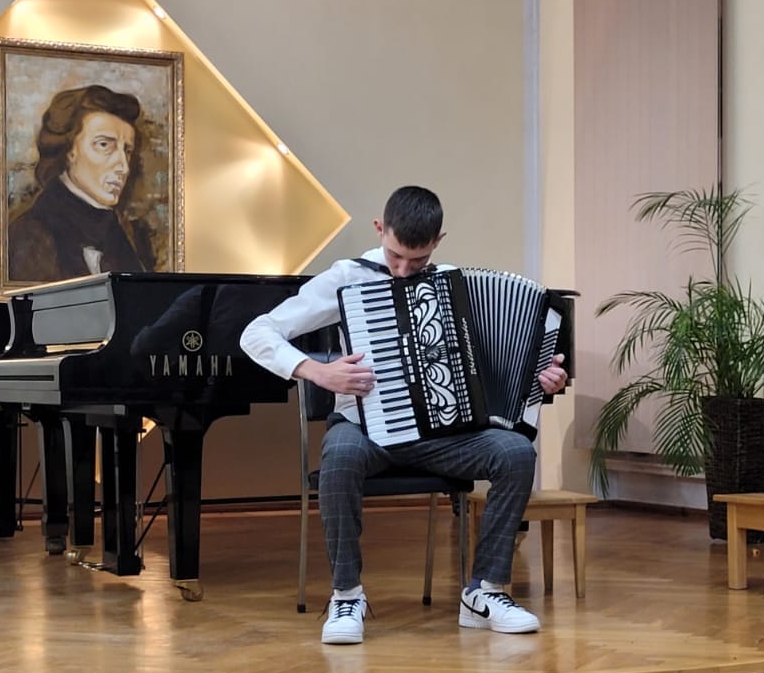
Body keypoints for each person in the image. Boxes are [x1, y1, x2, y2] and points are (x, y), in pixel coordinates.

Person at [240, 185, 569, 645]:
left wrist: (543, 378)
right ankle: (347, 595)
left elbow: (504, 366)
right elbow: (257, 332)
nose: (402, 270)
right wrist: (318, 371)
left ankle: (485, 592)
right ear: (380, 229)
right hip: (365, 431)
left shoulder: (455, 283)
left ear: (438, 241)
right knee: (339, 457)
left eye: (417, 260)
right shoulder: (347, 277)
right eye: (396, 256)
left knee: (515, 453)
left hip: (443, 438)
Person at [6, 84, 155, 284]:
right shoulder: (29, 235)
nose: (123, 167)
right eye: (104, 145)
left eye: (127, 151)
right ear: (69, 151)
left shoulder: (130, 237)